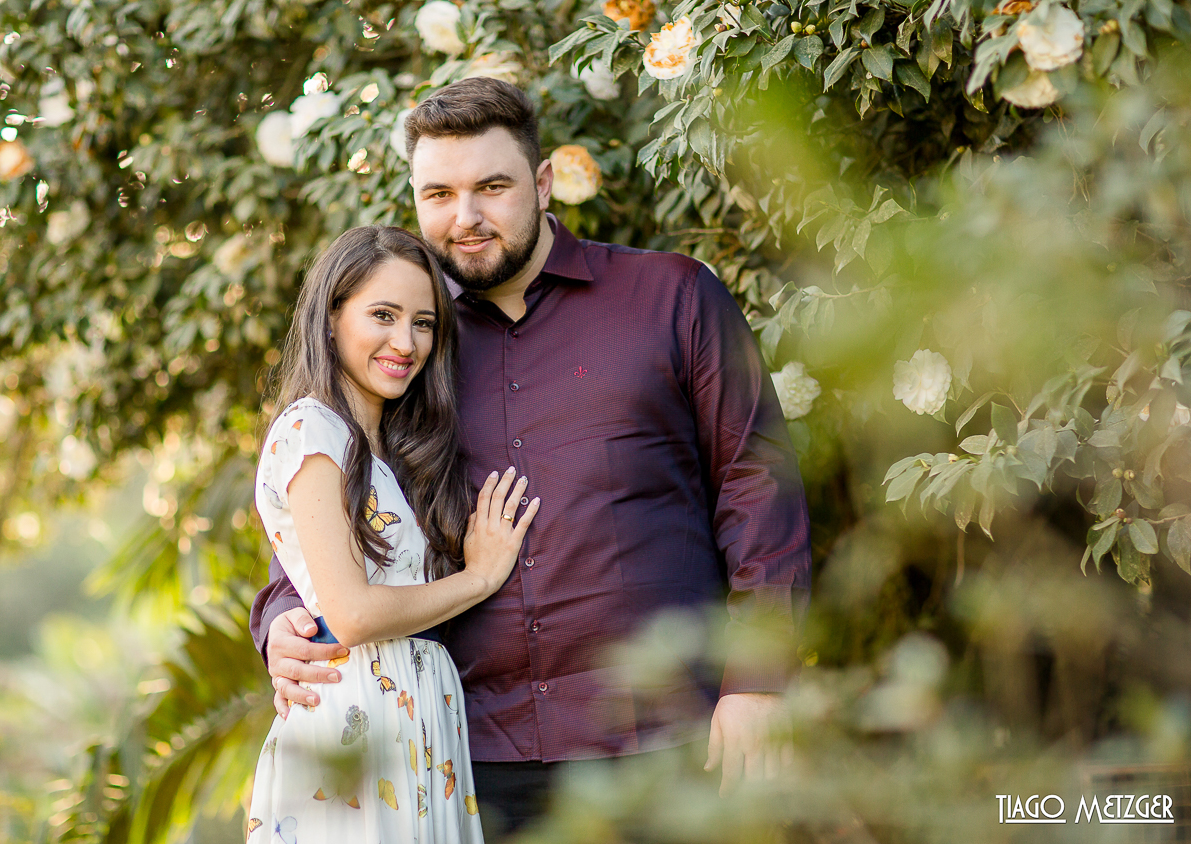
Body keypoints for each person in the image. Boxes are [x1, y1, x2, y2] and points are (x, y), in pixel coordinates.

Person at [251, 77, 812, 837]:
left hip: (670, 736)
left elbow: (757, 484)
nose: (466, 218)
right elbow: (341, 508)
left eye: (492, 186)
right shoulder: (409, 348)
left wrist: (757, 684)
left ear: (543, 184)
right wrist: (283, 616)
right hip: (478, 757)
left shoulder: (670, 299)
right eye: (439, 194)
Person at [244, 225, 539, 843]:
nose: (405, 342)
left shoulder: (393, 449)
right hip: (356, 728)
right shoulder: (311, 430)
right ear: (331, 316)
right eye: (383, 314)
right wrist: (480, 577)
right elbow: (350, 614)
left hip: (420, 721)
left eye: (424, 323)